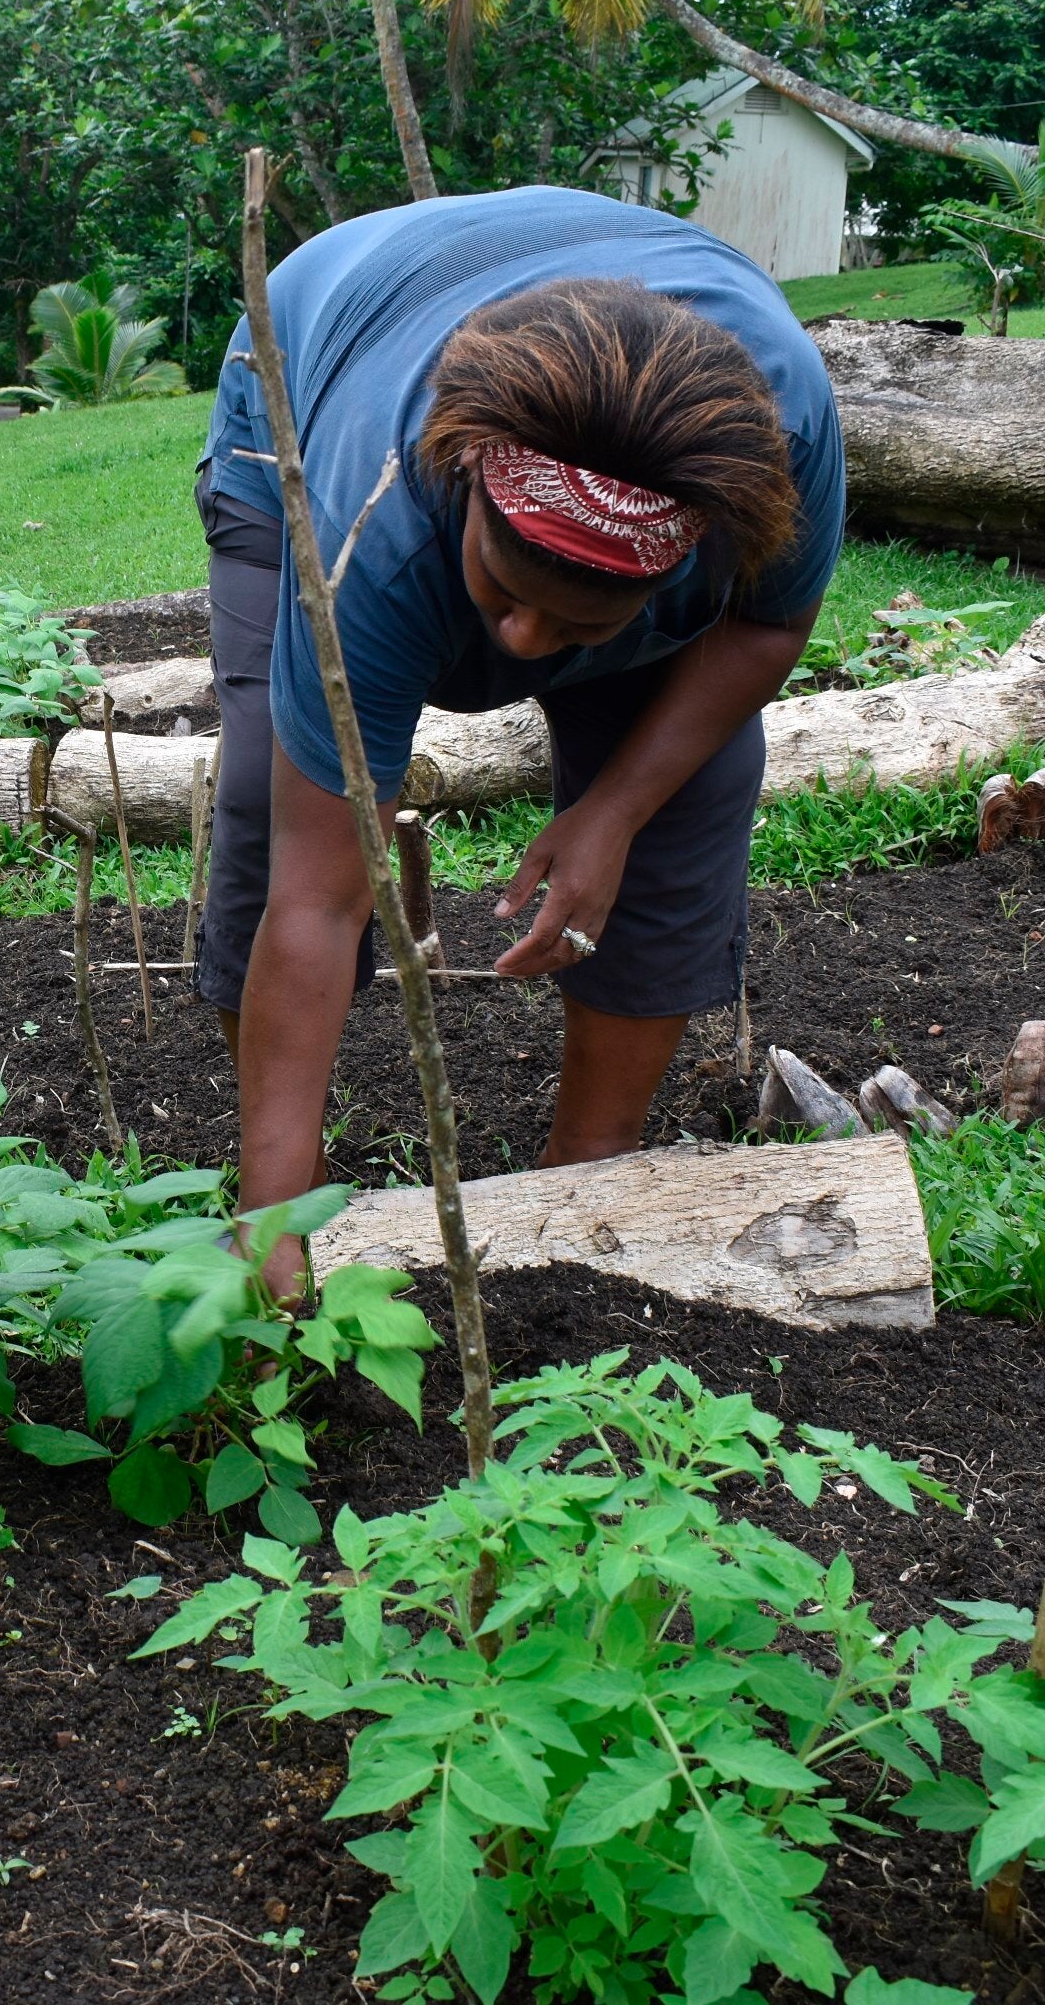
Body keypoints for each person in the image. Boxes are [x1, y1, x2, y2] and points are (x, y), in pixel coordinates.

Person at [195, 188, 844, 1278]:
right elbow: (314, 893)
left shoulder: (773, 447)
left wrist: (611, 812)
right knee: (276, 790)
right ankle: (279, 1181)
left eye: (577, 622)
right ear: (465, 496)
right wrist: (272, 1227)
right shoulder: (379, 524)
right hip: (318, 339)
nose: (527, 641)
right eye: (502, 594)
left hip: (622, 329)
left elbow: (768, 626)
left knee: (691, 781)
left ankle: (584, 1179)